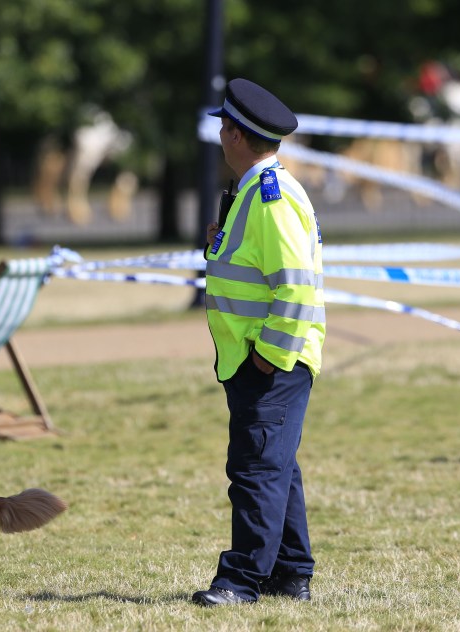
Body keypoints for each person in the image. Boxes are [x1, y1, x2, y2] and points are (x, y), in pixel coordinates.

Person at [192, 78, 326, 607]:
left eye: (224, 128)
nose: (220, 136)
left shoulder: (268, 197)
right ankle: (291, 574)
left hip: (272, 358)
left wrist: (268, 355)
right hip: (259, 357)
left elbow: (294, 284)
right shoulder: (256, 188)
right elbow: (253, 268)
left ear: (237, 136)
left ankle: (241, 580)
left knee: (256, 470)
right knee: (276, 465)